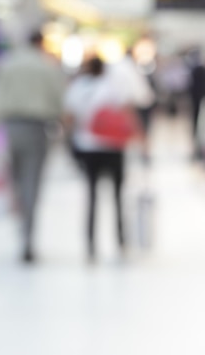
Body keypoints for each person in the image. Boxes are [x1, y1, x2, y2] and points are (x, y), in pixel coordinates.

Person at [0, 30, 65, 264]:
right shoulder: (47, 67)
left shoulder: (7, 65)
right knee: (32, 183)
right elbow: (59, 101)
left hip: (10, 129)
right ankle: (28, 237)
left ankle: (22, 231)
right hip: (37, 130)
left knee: (15, 181)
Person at [64, 57, 136, 262]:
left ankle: (90, 243)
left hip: (87, 147)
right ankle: (121, 241)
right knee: (118, 196)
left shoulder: (77, 88)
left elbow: (69, 117)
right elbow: (127, 112)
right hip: (113, 147)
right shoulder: (112, 87)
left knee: (91, 196)